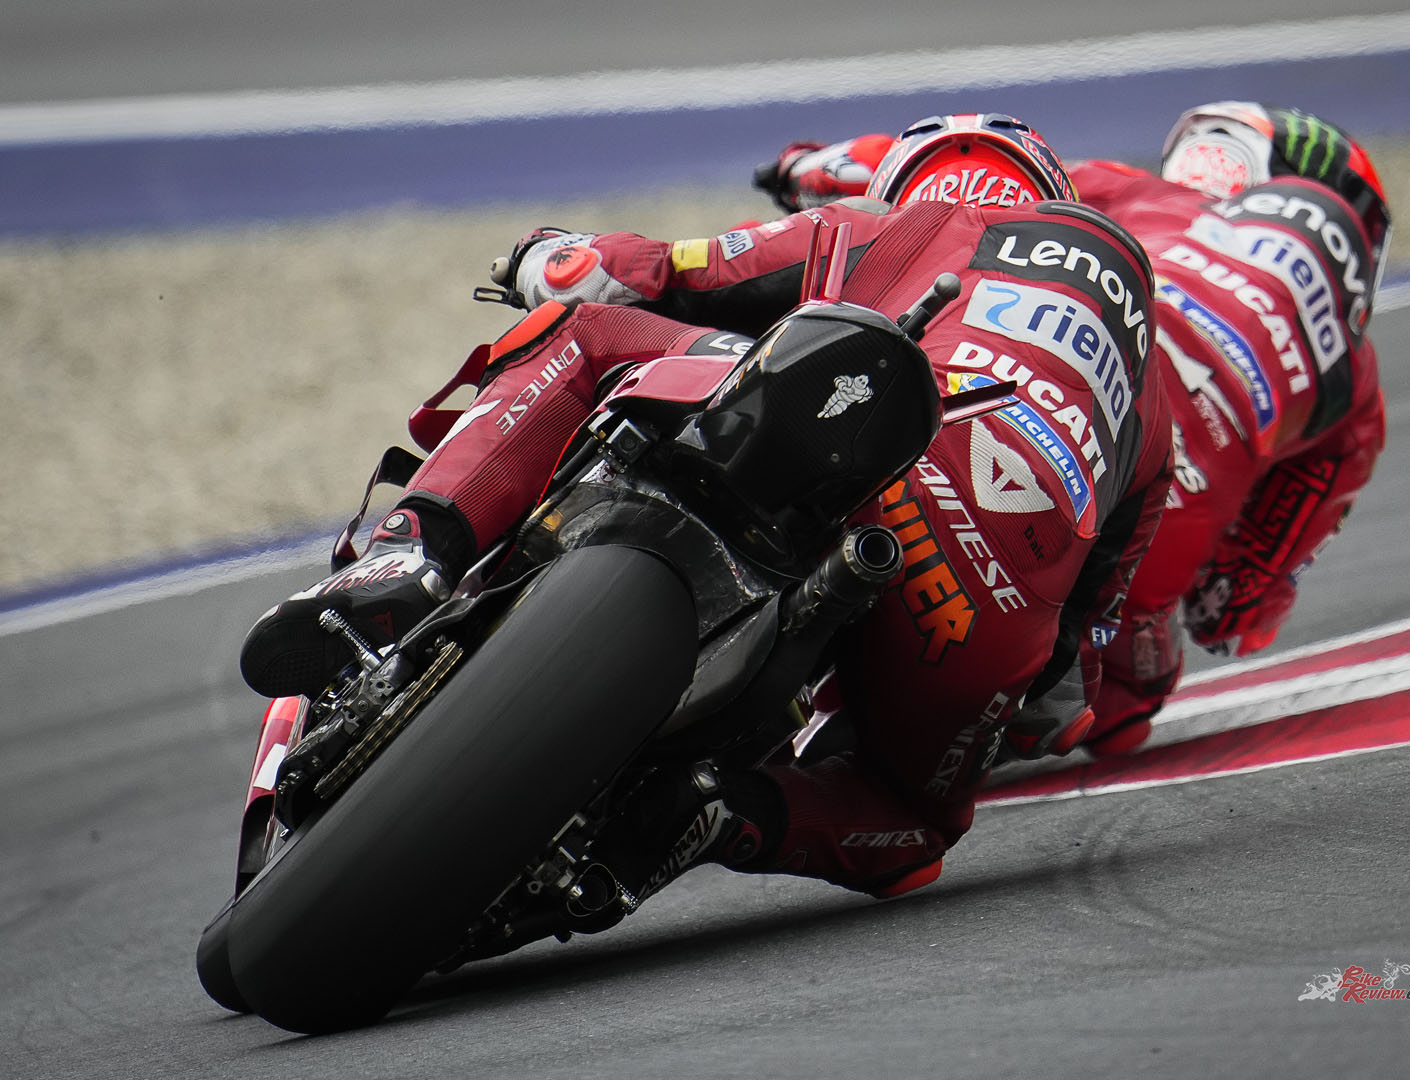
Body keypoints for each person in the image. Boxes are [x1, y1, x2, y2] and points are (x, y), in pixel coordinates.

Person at [238, 113, 1172, 910]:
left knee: (589, 334)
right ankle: (720, 811)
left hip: (852, 452)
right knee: (913, 824)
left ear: (910, 184)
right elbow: (1070, 674)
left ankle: (410, 554)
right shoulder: (1151, 400)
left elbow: (652, 271)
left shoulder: (905, 225)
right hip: (972, 609)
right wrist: (1007, 691)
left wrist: (542, 257)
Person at [756, 102, 1389, 754]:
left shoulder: (1123, 186)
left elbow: (945, 164)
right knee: (1130, 702)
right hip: (1119, 516)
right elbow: (1229, 614)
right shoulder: (1357, 386)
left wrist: (800, 167)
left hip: (981, 400)